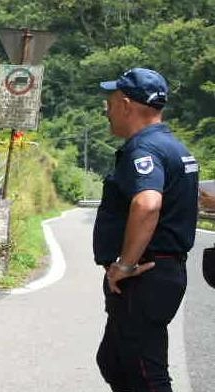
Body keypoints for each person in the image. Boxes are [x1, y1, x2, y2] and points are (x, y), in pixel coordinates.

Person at [93, 68, 199, 391]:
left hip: (144, 275)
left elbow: (148, 204)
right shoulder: (174, 147)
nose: (107, 111)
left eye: (110, 103)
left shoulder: (144, 150)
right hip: (159, 273)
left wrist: (124, 265)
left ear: (126, 104)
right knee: (113, 360)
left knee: (145, 374)